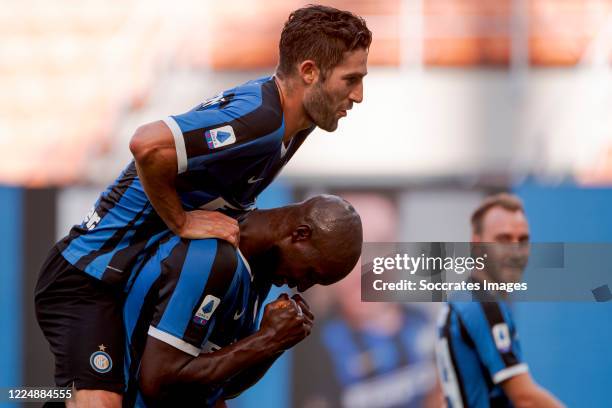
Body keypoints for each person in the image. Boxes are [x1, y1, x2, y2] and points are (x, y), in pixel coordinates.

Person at [35, 5, 371, 407]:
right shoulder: (261, 121)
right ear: (310, 72)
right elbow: (148, 143)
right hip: (90, 273)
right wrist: (181, 220)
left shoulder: (294, 126)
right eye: (351, 79)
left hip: (129, 273)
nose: (359, 95)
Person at [122, 195, 363, 407]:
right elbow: (158, 381)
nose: (301, 286)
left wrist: (276, 343)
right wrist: (268, 338)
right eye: (310, 274)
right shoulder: (215, 255)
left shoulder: (260, 273)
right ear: (300, 235)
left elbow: (221, 385)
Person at [435, 193, 564, 407]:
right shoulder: (483, 305)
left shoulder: (463, 300)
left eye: (523, 240)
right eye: (503, 239)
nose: (515, 251)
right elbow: (526, 398)